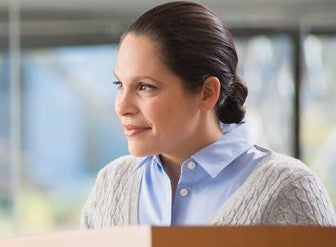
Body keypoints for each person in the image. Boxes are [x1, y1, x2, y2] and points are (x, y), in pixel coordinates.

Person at [80, 1, 336, 228]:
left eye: (145, 87)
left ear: (207, 93)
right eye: (120, 85)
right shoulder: (111, 185)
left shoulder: (288, 189)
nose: (122, 106)